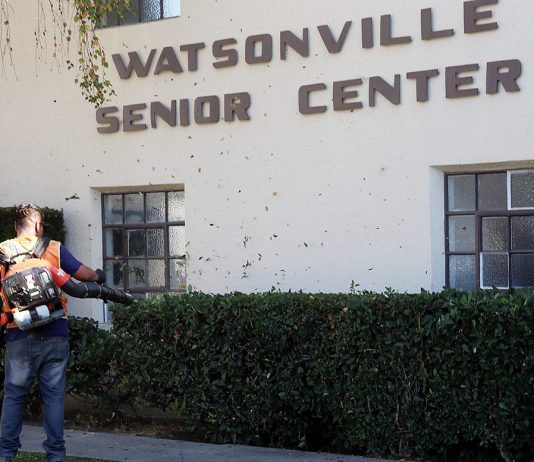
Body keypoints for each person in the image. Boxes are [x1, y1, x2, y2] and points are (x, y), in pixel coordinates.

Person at [0, 204, 103, 462]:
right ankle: (55, 456)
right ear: (38, 226)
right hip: (56, 331)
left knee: (13, 396)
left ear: (16, 227)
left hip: (18, 334)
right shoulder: (54, 248)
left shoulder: (3, 250)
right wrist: (99, 276)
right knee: (54, 397)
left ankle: (5, 454)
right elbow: (84, 274)